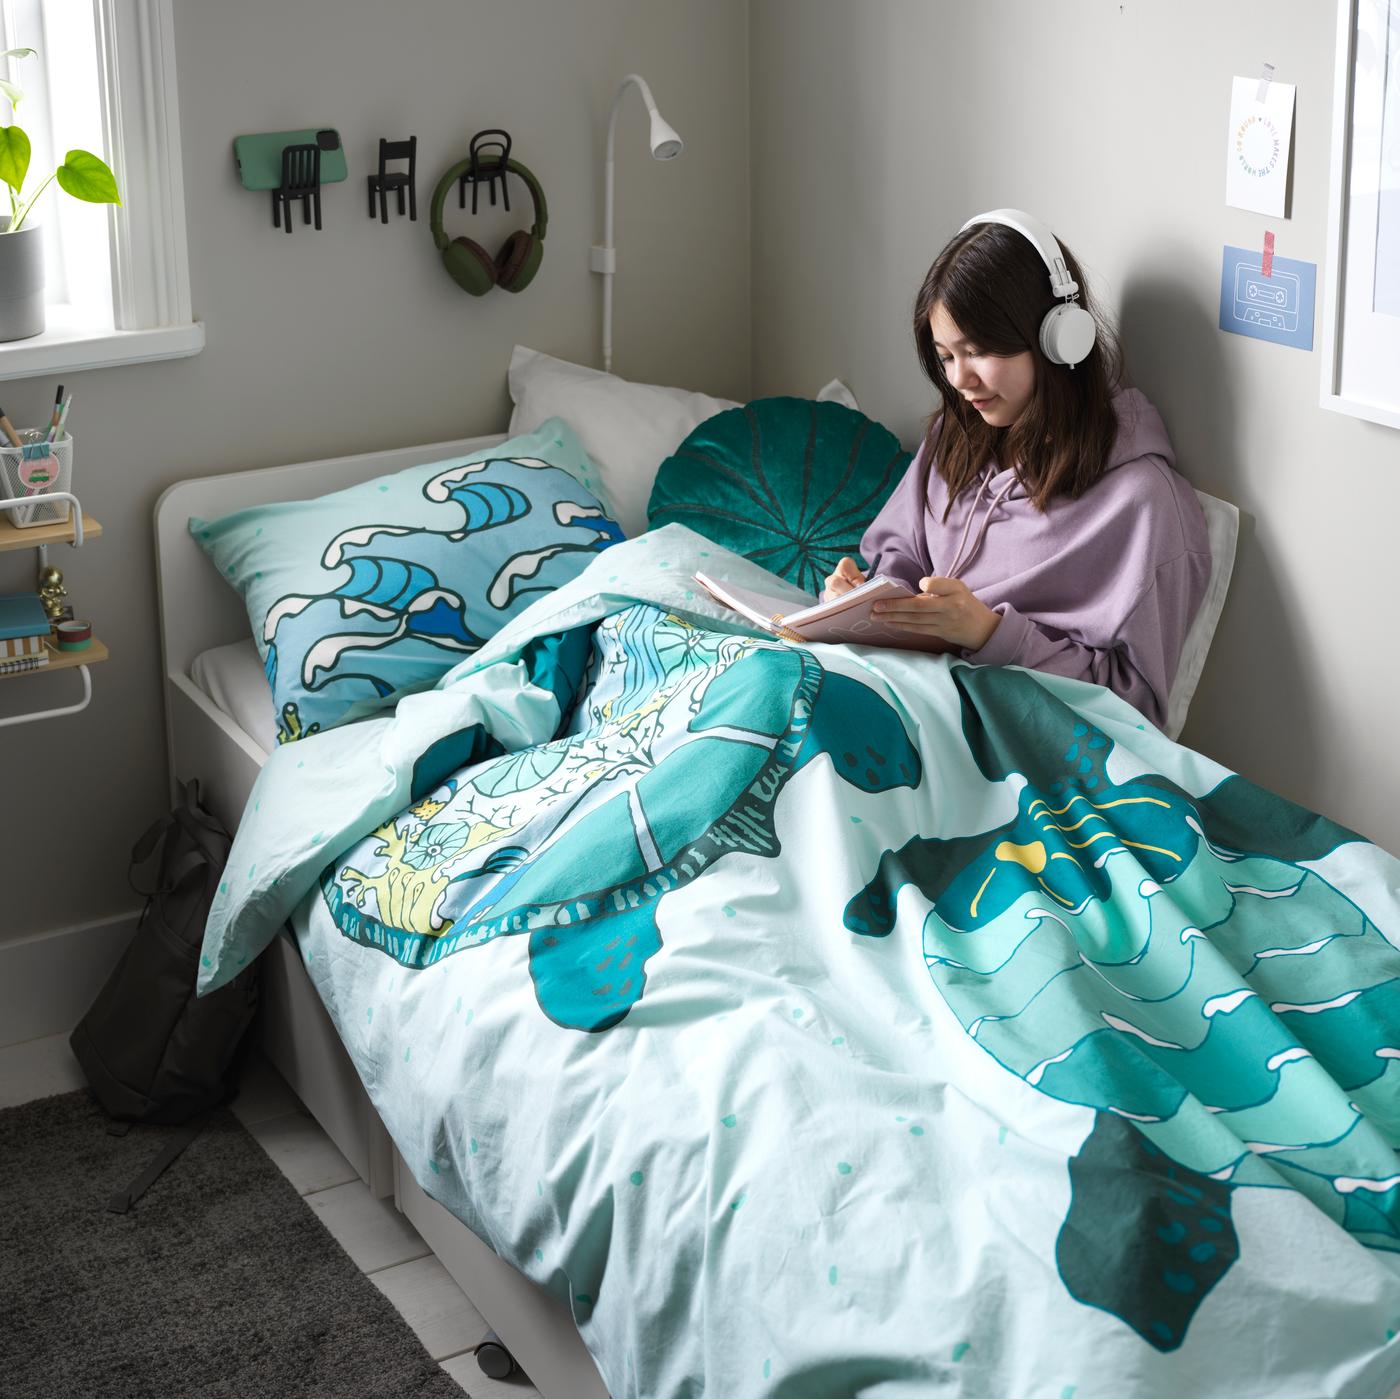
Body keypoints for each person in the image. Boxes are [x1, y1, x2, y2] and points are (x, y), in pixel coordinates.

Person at [824, 210, 1211, 732]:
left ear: (1059, 338)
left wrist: (989, 634)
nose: (961, 379)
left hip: (1003, 740)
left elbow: (1138, 712)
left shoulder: (1145, 504)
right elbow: (900, 556)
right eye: (945, 357)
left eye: (979, 352)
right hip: (906, 694)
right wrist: (864, 601)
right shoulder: (954, 436)